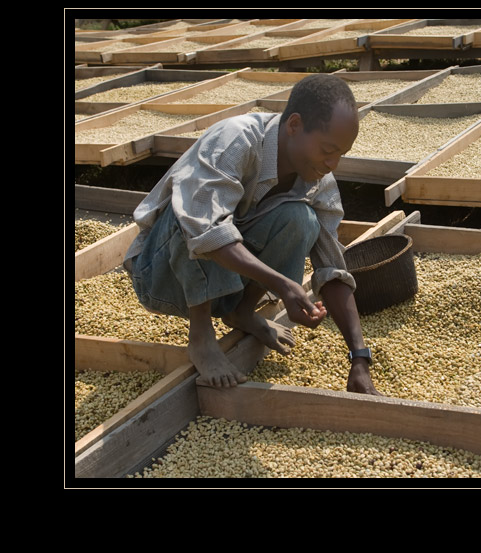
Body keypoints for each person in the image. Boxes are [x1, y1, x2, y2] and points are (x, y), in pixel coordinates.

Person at [122, 74, 380, 395]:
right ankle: (201, 337)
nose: (334, 164)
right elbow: (206, 229)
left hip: (223, 286)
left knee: (301, 218)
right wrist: (283, 284)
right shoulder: (236, 140)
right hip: (160, 276)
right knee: (195, 210)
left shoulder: (316, 180)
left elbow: (333, 270)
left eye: (342, 153)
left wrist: (359, 357)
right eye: (328, 149)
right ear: (294, 125)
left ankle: (241, 312)